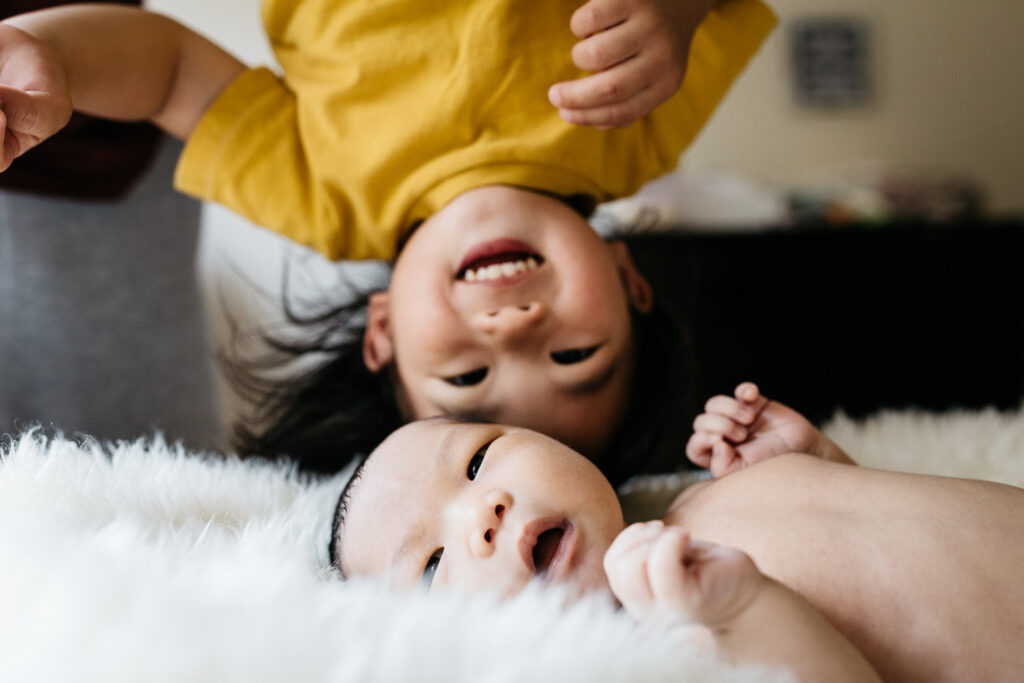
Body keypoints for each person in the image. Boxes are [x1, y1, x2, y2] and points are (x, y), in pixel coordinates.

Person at [0, 1, 776, 477]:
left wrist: (59, 59)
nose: (512, 328)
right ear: (629, 282)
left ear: (383, 331)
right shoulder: (640, 121)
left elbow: (168, 70)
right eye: (575, 357)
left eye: (465, 375)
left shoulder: (323, 196)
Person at [329, 384, 1024, 682]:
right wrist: (744, 611)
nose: (480, 513)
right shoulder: (667, 632)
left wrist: (820, 466)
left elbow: (890, 554)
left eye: (478, 461)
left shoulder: (688, 509)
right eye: (431, 564)